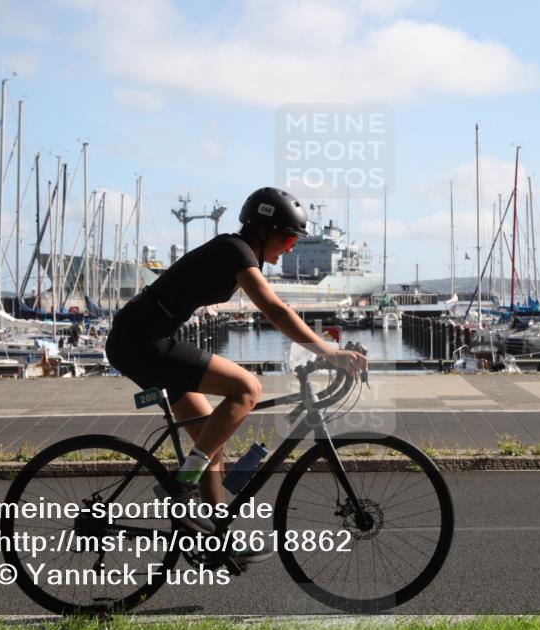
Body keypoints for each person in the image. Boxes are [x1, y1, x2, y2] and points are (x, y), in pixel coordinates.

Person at [105, 187, 368, 551]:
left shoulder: (240, 252)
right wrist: (329, 351)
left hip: (142, 339)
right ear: (264, 230)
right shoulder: (236, 251)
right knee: (247, 388)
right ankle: (180, 484)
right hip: (141, 342)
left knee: (211, 443)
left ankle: (216, 540)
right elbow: (274, 309)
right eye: (290, 237)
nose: (291, 246)